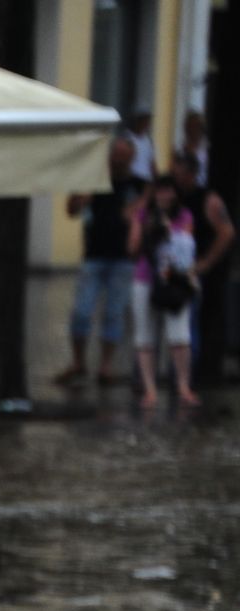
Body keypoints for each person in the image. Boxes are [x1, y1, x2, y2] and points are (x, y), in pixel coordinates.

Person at [56, 138, 144, 387]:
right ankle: (78, 362)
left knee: (113, 314)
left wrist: (137, 216)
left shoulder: (138, 186)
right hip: (93, 255)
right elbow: (71, 210)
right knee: (82, 311)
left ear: (131, 158)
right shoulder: (93, 180)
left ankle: (105, 367)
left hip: (122, 259)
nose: (116, 160)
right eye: (114, 154)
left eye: (122, 156)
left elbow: (148, 214)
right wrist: (81, 197)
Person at [128, 175, 199, 408]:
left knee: (179, 335)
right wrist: (148, 230)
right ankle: (150, 389)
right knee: (144, 335)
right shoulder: (143, 214)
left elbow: (185, 248)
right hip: (145, 278)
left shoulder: (184, 215)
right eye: (160, 191)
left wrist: (169, 233)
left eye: (168, 190)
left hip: (174, 281)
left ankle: (183, 387)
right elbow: (132, 247)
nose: (164, 196)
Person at [170, 152, 234, 385]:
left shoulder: (208, 199)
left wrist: (205, 262)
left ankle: (189, 375)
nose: (176, 179)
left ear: (192, 175)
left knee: (190, 322)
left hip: (195, 270)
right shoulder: (173, 196)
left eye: (180, 174)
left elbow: (227, 233)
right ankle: (179, 373)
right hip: (173, 268)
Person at [180, 110, 210, 187]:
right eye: (188, 127)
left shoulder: (206, 150)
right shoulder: (181, 149)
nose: (190, 130)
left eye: (194, 126)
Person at [127, 108, 156, 182]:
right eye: (143, 120)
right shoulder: (127, 137)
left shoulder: (148, 140)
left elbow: (151, 161)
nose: (146, 124)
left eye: (147, 121)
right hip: (132, 178)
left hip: (146, 179)